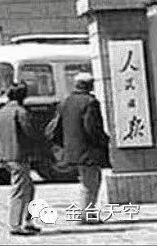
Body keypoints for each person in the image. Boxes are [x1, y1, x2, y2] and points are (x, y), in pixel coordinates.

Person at [45, 72, 111, 224]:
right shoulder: (90, 102)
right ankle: (86, 215)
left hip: (73, 149)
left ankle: (87, 213)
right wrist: (104, 140)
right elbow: (92, 127)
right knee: (91, 182)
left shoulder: (65, 102)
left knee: (86, 181)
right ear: (89, 85)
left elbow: (57, 127)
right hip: (88, 150)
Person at [0, 82, 43, 237]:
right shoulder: (20, 112)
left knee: (29, 187)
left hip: (7, 155)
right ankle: (16, 224)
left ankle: (28, 220)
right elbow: (30, 133)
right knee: (20, 189)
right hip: (19, 155)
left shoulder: (2, 112)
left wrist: (0, 153)